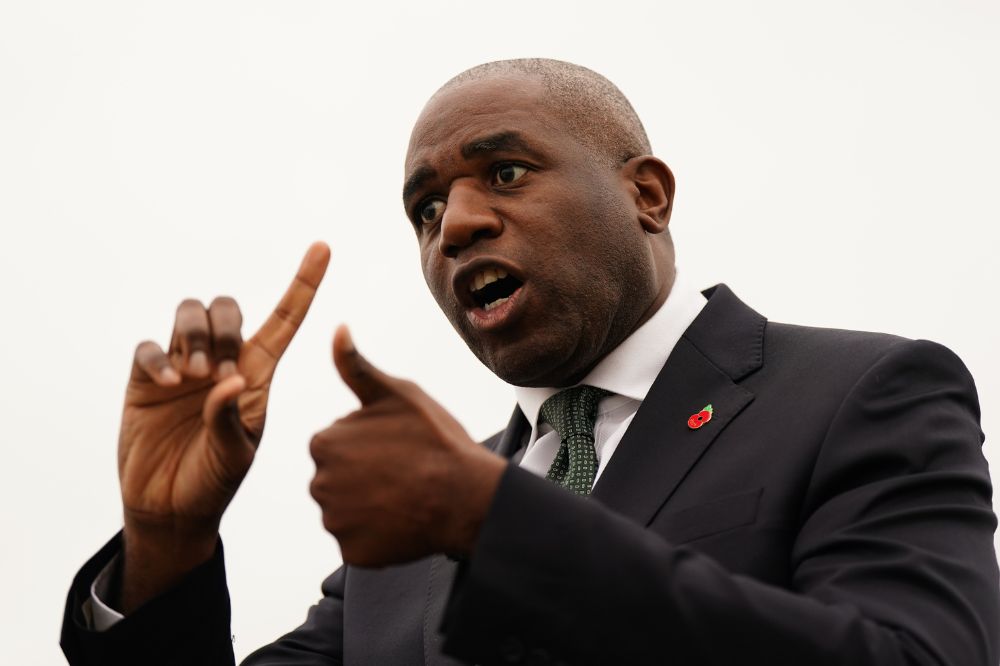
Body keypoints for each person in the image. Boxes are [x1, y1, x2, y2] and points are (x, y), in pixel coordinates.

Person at [61, 59, 999, 665]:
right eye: (426, 210)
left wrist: (495, 522)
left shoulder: (861, 395)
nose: (456, 226)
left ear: (647, 195)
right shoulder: (411, 537)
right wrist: (166, 542)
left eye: (505, 173)